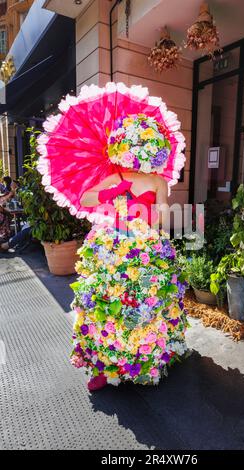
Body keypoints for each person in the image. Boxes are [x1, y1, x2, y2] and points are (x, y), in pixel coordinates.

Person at [70, 114, 188, 392]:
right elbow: (84, 198)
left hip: (146, 243)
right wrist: (108, 194)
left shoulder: (159, 181)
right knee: (106, 303)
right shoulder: (116, 175)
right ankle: (102, 365)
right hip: (114, 242)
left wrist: (149, 216)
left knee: (144, 302)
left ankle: (145, 358)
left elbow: (162, 216)